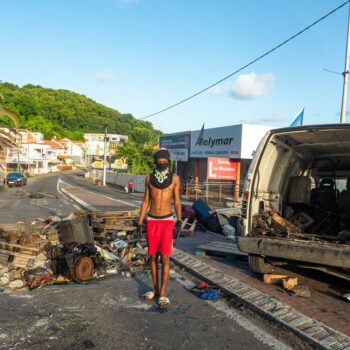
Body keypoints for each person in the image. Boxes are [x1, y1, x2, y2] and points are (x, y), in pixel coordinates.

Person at [138, 148, 182, 308]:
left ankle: (163, 292)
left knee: (165, 258)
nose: (162, 163)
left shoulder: (175, 179)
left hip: (167, 221)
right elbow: (145, 202)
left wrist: (179, 219)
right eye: (159, 161)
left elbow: (177, 201)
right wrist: (139, 221)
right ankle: (155, 290)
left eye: (164, 161)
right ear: (155, 162)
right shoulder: (149, 178)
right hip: (152, 220)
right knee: (152, 257)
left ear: (168, 162)